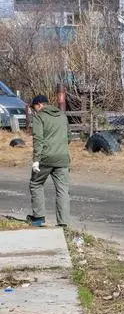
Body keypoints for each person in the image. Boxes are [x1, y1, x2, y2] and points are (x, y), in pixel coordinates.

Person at [27, 95, 70, 228]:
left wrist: (36, 160)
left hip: (45, 158)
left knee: (36, 183)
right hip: (63, 158)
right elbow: (68, 137)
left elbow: (38, 139)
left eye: (34, 107)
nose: (34, 111)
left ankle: (38, 217)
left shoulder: (39, 117)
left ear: (39, 104)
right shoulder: (62, 116)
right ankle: (63, 223)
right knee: (62, 190)